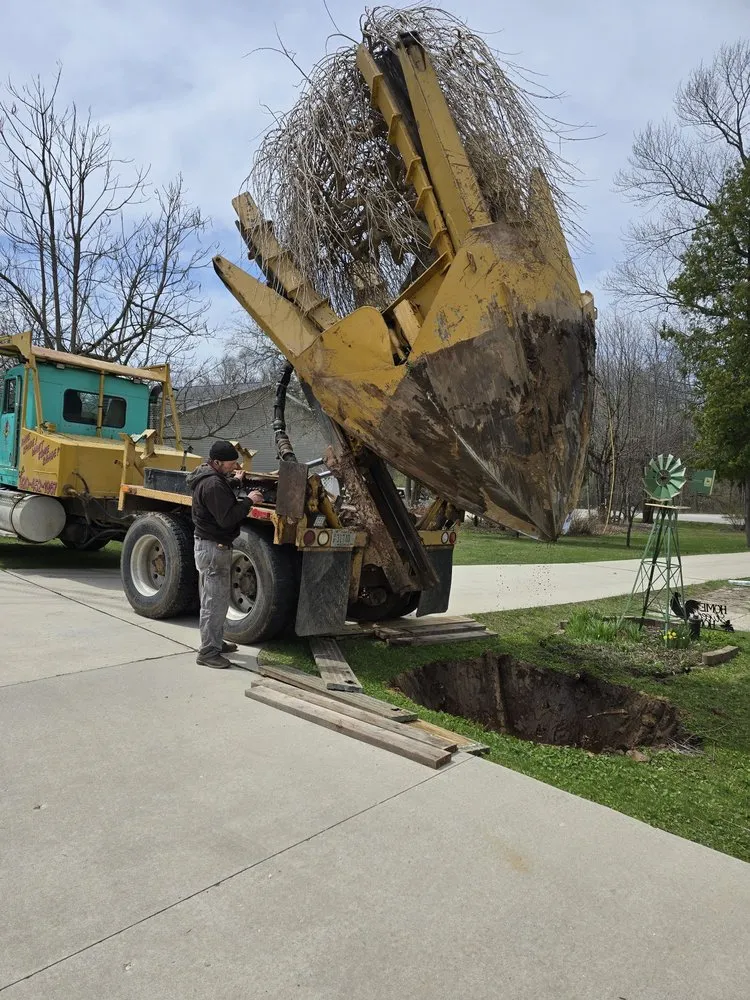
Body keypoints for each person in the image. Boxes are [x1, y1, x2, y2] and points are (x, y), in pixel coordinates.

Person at [186, 440, 264, 668]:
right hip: (213, 548)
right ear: (217, 462)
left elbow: (221, 493)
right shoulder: (212, 485)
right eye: (231, 464)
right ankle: (208, 652)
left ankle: (216, 642)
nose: (235, 466)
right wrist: (250, 501)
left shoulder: (211, 478)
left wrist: (235, 480)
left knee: (217, 600)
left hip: (210, 545)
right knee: (215, 602)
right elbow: (227, 517)